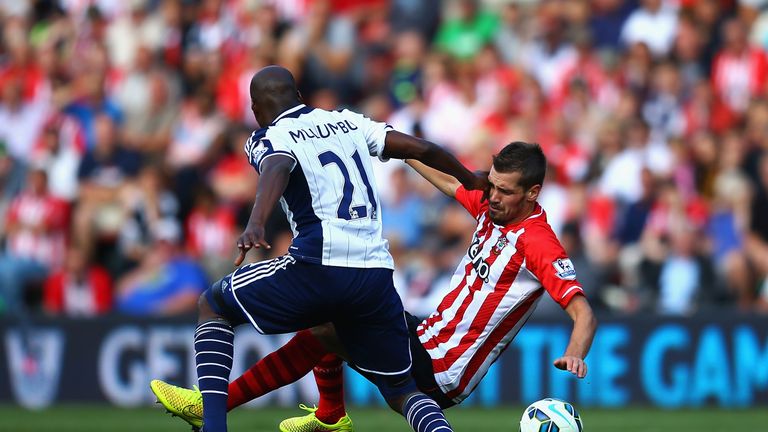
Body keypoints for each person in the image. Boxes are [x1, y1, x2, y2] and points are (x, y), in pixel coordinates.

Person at [151, 142, 598, 432]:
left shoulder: (538, 242)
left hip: (447, 365)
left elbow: (583, 311)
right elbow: (449, 181)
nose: (492, 195)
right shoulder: (491, 206)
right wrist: (400, 149)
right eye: (493, 185)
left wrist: (576, 351)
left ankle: (227, 407)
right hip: (426, 335)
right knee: (339, 301)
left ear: (533, 193)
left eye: (504, 191)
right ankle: (329, 416)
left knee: (330, 319)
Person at [158, 65, 486, 432]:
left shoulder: (268, 135)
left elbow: (277, 166)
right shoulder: (348, 121)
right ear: (298, 96)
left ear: (255, 110)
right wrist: (470, 177)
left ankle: (213, 423)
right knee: (401, 391)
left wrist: (256, 221)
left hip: (319, 265)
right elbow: (421, 148)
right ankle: (333, 414)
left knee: (213, 305)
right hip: (376, 276)